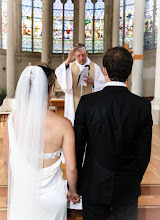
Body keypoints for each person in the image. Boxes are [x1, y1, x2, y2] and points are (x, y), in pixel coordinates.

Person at [74, 47, 153, 220]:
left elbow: (78, 148)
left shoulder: (88, 103)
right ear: (130, 72)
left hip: (94, 184)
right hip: (127, 186)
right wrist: (132, 179)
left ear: (104, 70)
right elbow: (144, 154)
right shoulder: (142, 106)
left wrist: (76, 183)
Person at [3, 62, 79, 220]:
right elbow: (71, 168)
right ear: (52, 90)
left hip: (23, 195)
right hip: (53, 198)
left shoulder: (12, 120)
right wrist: (73, 191)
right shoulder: (64, 125)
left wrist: (13, 191)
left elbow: (6, 162)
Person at [55, 43, 105, 125]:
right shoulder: (69, 66)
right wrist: (68, 60)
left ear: (87, 53)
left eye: (83, 55)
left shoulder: (95, 67)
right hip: (73, 105)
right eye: (78, 56)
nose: (81, 58)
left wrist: (93, 83)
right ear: (74, 55)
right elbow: (61, 77)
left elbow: (103, 86)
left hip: (90, 106)